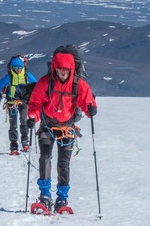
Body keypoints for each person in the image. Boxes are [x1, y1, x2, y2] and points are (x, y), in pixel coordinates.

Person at [26, 51, 97, 213]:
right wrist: (32, 117)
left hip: (67, 128)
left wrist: (91, 109)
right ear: (54, 69)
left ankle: (62, 198)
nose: (62, 72)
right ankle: (45, 196)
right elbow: (35, 103)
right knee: (45, 158)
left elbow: (87, 101)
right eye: (59, 69)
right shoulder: (45, 83)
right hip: (47, 126)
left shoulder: (77, 85)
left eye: (65, 69)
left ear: (71, 69)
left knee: (63, 163)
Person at [0, 56, 38, 155]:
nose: (18, 70)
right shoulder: (9, 77)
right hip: (11, 102)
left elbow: (37, 86)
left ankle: (24, 142)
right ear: (12, 68)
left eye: (20, 67)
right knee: (13, 124)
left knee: (24, 122)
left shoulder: (27, 76)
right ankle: (14, 145)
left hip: (23, 102)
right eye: (16, 68)